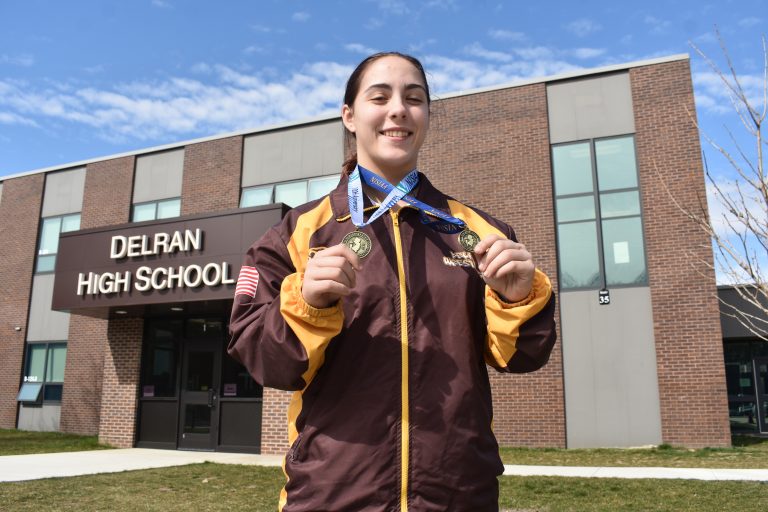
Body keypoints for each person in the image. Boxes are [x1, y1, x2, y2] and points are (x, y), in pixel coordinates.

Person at [228, 51, 557, 512]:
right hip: (332, 495)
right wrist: (307, 303)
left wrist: (519, 297)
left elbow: (521, 357)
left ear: (426, 116)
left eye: (414, 98)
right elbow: (268, 363)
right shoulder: (295, 234)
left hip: (458, 495)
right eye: (379, 96)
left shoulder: (479, 232)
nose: (398, 109)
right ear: (349, 115)